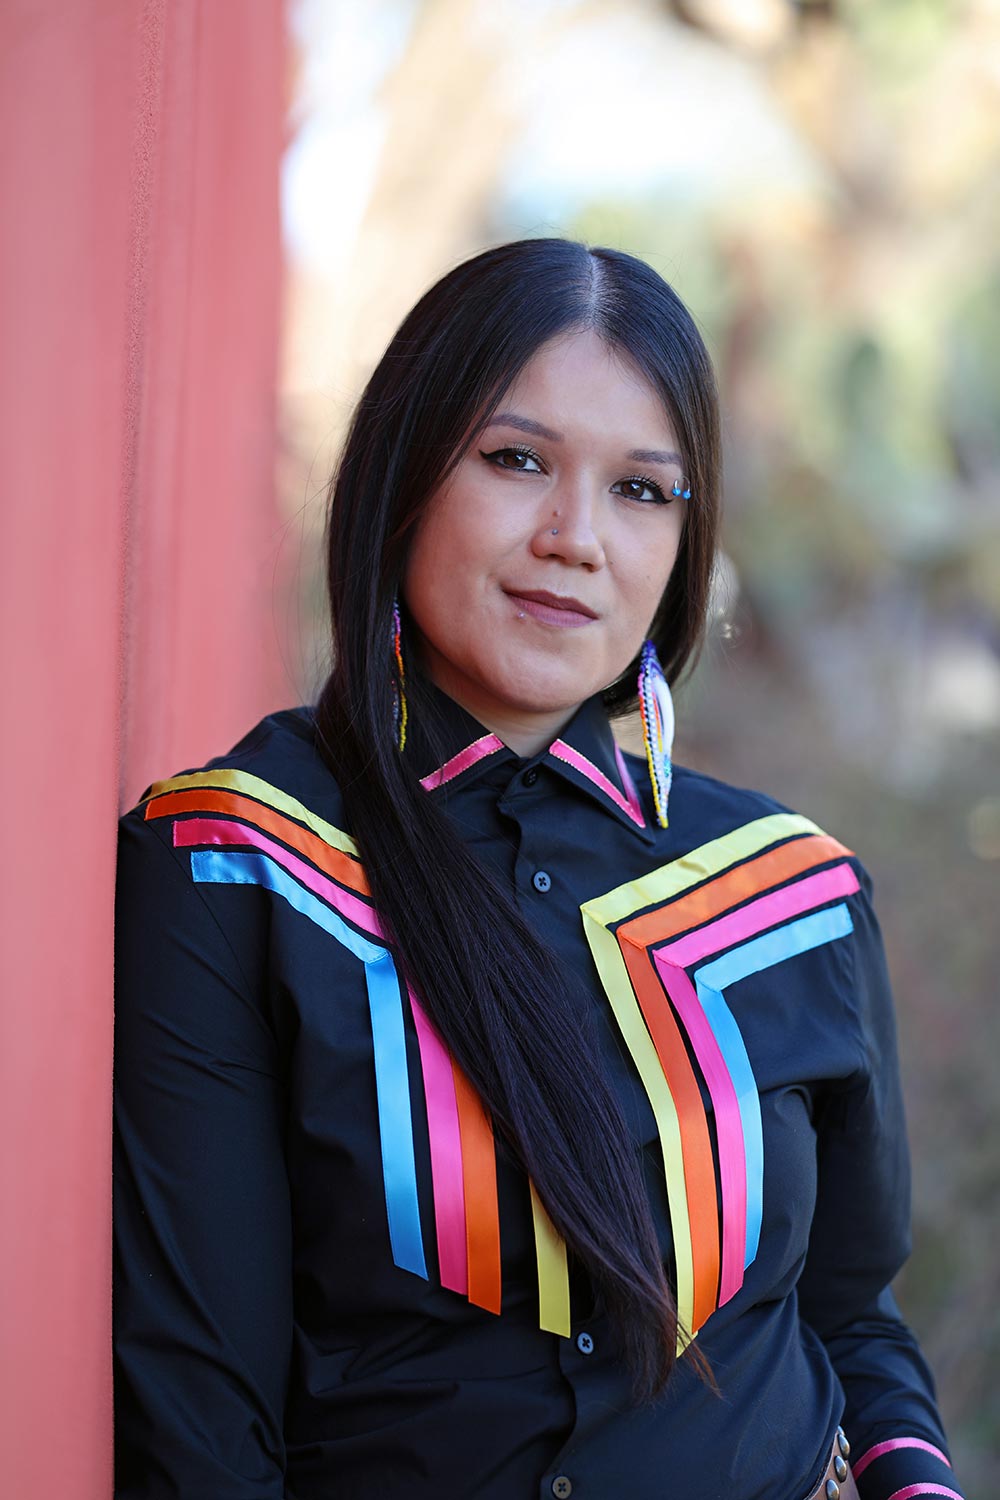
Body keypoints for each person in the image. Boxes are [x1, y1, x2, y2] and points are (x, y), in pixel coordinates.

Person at [112, 237, 966, 1500]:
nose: (576, 538)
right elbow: (200, 1419)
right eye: (516, 461)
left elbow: (848, 1318)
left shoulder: (792, 897)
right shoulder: (240, 865)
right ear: (404, 478)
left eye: (641, 491)